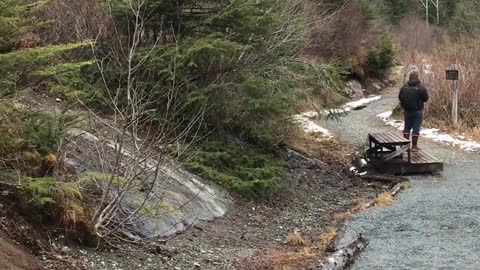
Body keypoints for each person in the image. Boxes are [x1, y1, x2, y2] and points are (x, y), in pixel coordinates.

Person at [398, 71, 429, 152]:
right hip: (417, 110)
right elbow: (426, 99)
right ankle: (414, 147)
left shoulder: (404, 87)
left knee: (407, 127)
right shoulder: (421, 87)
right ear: (417, 77)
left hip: (407, 110)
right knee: (416, 128)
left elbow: (400, 97)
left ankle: (405, 146)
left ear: (410, 77)